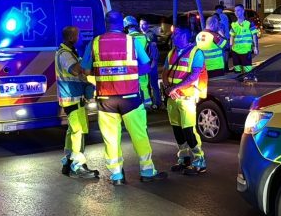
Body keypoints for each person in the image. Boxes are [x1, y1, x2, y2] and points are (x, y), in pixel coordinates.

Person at [82, 10, 168, 185]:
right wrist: (129, 71)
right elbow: (146, 67)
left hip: (106, 99)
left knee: (111, 138)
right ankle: (147, 171)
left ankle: (117, 175)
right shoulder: (131, 41)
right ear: (121, 25)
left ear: (106, 24)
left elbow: (86, 70)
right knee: (139, 135)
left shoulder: (95, 43)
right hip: (130, 98)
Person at [162, 27, 208, 175]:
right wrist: (168, 88)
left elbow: (194, 75)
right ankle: (184, 159)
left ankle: (199, 161)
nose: (173, 37)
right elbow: (165, 72)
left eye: (176, 35)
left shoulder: (196, 53)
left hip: (186, 97)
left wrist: (175, 88)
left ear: (185, 37)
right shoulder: (171, 53)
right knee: (177, 130)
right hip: (172, 97)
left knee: (189, 130)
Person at [55, 26, 99, 179]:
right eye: (77, 36)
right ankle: (78, 166)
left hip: (73, 97)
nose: (79, 38)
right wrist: (87, 54)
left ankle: (68, 161)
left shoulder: (69, 52)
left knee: (72, 131)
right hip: (71, 97)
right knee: (78, 131)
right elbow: (74, 70)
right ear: (71, 38)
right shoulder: (64, 54)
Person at [123, 16, 153, 109]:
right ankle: (148, 104)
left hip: (131, 67)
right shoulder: (144, 36)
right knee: (144, 86)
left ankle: (137, 105)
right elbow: (150, 50)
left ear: (126, 27)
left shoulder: (127, 38)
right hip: (143, 66)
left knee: (133, 87)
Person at [140, 18, 162, 109]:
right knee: (146, 84)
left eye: (144, 24)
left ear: (148, 25)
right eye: (140, 24)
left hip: (151, 64)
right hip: (146, 64)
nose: (142, 26)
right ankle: (150, 102)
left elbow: (154, 51)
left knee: (153, 84)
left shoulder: (151, 35)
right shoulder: (142, 35)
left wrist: (153, 62)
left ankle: (157, 103)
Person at [229, 4, 259, 73]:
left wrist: (255, 47)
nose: (236, 12)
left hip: (246, 51)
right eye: (235, 11)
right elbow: (232, 36)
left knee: (248, 71)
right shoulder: (234, 24)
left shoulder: (249, 23)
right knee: (237, 71)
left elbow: (254, 35)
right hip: (235, 51)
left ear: (243, 11)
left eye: (238, 10)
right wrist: (230, 46)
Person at [215, 4, 231, 71]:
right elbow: (228, 26)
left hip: (220, 38)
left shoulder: (216, 17)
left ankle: (223, 68)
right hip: (226, 37)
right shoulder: (225, 16)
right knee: (226, 52)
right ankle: (226, 67)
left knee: (222, 53)